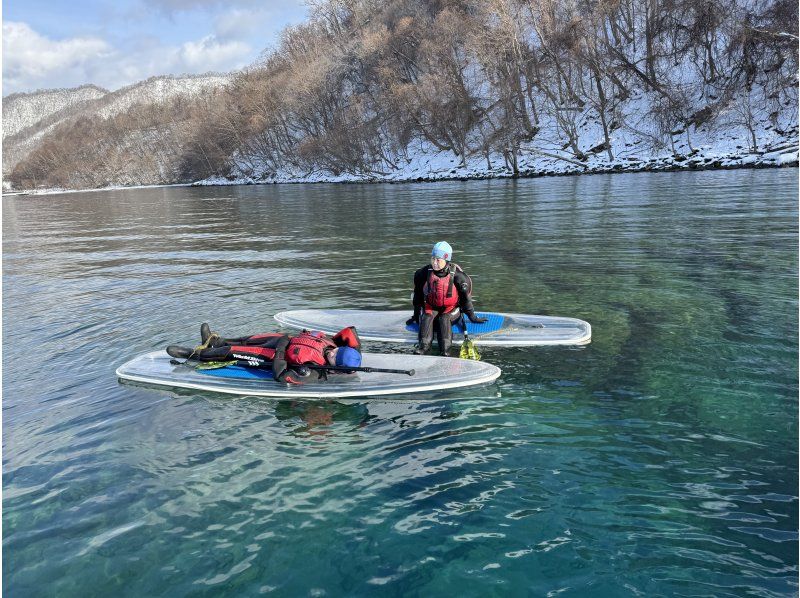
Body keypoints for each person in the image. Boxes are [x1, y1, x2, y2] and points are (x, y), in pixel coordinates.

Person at [167, 324, 362, 385]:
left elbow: (282, 376)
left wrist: (280, 349)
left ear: (335, 367)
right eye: (339, 350)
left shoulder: (315, 371)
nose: (334, 351)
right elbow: (351, 332)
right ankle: (214, 340)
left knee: (233, 352)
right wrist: (353, 350)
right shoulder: (335, 347)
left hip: (272, 354)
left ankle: (192, 355)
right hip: (281, 339)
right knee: (247, 338)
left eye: (336, 357)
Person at [407, 241, 487, 356]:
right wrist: (415, 316)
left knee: (444, 319)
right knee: (427, 316)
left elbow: (466, 300)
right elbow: (418, 297)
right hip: (431, 306)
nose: (434, 263)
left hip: (451, 309)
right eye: (433, 258)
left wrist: (473, 317)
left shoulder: (459, 277)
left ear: (446, 260)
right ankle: (423, 348)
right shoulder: (423, 273)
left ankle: (446, 351)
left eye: (438, 260)